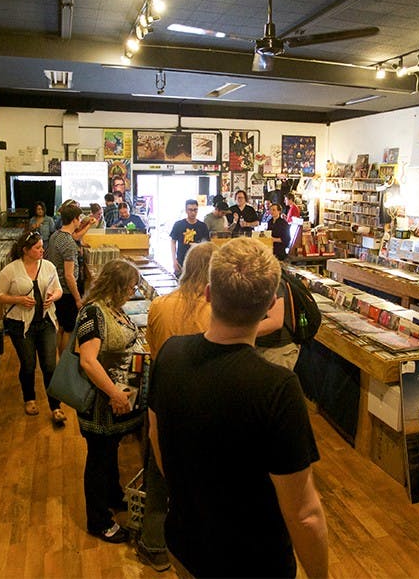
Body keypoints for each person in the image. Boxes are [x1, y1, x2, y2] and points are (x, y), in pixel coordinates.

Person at [148, 238, 328, 578]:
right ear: (269, 305)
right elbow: (304, 513)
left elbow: (157, 437)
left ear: (208, 294)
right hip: (254, 564)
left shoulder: (170, 354)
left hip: (184, 546)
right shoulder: (278, 387)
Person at [137, 241, 216, 571]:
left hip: (163, 393)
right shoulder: (216, 310)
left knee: (157, 471)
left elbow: (153, 351)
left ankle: (153, 544)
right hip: (204, 398)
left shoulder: (159, 304)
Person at [74, 258, 143, 544]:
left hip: (114, 402)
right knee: (99, 458)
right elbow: (89, 362)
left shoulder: (112, 309)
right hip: (100, 404)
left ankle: (114, 496)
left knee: (109, 451)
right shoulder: (93, 313)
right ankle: (99, 520)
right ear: (116, 286)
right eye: (129, 287)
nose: (132, 291)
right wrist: (115, 393)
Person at [0, 230, 66, 424]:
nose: (42, 250)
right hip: (20, 325)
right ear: (26, 250)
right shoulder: (10, 270)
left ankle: (55, 406)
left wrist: (54, 297)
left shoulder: (48, 266)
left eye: (42, 246)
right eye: (38, 248)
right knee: (28, 365)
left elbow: (59, 289)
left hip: (46, 323)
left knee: (50, 365)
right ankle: (30, 398)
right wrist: (17, 299)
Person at [47, 202, 85, 355]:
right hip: (67, 292)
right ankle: (64, 362)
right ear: (74, 219)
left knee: (61, 327)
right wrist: (77, 298)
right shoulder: (69, 243)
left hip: (56, 287)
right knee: (68, 329)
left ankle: (58, 357)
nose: (80, 221)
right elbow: (70, 276)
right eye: (79, 218)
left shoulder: (55, 235)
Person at [169, 199, 210, 275]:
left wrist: (197, 246)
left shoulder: (202, 226)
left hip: (197, 263)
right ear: (186, 210)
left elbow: (207, 245)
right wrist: (174, 260)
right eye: (190, 210)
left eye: (195, 210)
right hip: (181, 262)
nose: (193, 213)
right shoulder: (178, 225)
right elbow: (173, 242)